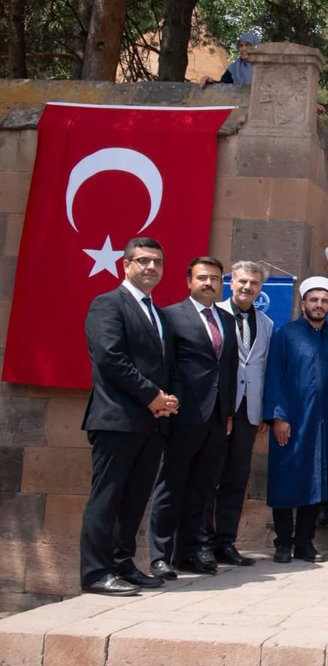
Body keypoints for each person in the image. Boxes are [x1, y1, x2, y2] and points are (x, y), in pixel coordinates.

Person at [79, 237, 178, 596]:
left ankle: (122, 564)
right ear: (126, 264)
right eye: (144, 261)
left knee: (134, 499)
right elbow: (110, 358)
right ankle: (95, 573)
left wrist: (166, 401)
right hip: (117, 420)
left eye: (158, 261)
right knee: (107, 498)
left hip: (152, 425)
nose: (151, 267)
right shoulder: (108, 304)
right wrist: (152, 395)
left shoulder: (158, 313)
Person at [150, 256, 237, 577]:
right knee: (170, 486)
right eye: (202, 278)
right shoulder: (171, 316)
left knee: (203, 487)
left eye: (215, 278)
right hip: (182, 414)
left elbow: (228, 369)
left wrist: (227, 412)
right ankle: (160, 554)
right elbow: (164, 365)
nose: (209, 284)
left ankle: (189, 552)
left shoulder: (226, 321)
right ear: (189, 281)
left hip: (216, 418)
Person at [263, 277, 328, 563]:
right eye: (314, 300)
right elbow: (275, 377)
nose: (318, 305)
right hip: (292, 420)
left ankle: (305, 543)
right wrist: (278, 417)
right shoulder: (286, 334)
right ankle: (283, 542)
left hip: (324, 422)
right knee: (285, 480)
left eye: (324, 301)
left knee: (315, 480)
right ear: (303, 303)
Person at [210, 260, 274, 567]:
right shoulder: (215, 316)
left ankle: (226, 541)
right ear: (230, 283)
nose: (248, 287)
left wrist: (261, 411)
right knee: (207, 477)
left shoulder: (266, 323)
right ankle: (199, 542)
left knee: (237, 478)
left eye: (254, 283)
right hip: (219, 410)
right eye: (242, 282)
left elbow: (260, 367)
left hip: (249, 412)